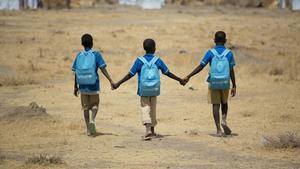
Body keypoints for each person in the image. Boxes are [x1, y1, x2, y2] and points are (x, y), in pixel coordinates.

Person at [112, 38, 185, 140]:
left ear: (144, 48)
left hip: (143, 89)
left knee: (145, 108)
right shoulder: (158, 60)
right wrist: (179, 79)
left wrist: (118, 83)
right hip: (155, 89)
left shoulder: (139, 61)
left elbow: (130, 75)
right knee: (153, 109)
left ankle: (148, 131)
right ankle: (153, 131)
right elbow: (167, 72)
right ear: (154, 48)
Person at [183, 31, 236, 137]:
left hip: (214, 82)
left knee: (215, 104)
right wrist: (234, 85)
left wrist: (189, 76)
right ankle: (224, 120)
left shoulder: (210, 53)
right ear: (225, 41)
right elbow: (231, 70)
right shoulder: (229, 53)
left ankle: (218, 130)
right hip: (225, 82)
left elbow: (201, 66)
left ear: (214, 41)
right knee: (224, 102)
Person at [72, 33, 114, 136]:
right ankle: (92, 119)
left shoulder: (79, 55)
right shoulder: (96, 55)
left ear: (82, 44)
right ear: (92, 43)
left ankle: (88, 129)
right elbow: (103, 68)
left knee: (85, 108)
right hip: (94, 85)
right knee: (95, 105)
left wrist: (75, 86)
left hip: (82, 86)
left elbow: (76, 72)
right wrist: (110, 80)